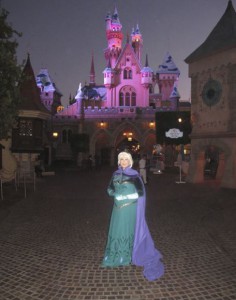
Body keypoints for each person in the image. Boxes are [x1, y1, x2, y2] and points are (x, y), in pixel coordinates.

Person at [102, 151, 164, 281]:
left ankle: (126, 256)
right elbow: (109, 189)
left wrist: (125, 197)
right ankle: (114, 255)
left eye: (126, 159)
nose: (123, 161)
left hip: (130, 208)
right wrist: (115, 194)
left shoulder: (134, 176)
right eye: (121, 159)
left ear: (130, 161)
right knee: (116, 229)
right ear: (119, 161)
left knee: (126, 229)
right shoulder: (115, 174)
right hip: (117, 208)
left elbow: (140, 193)